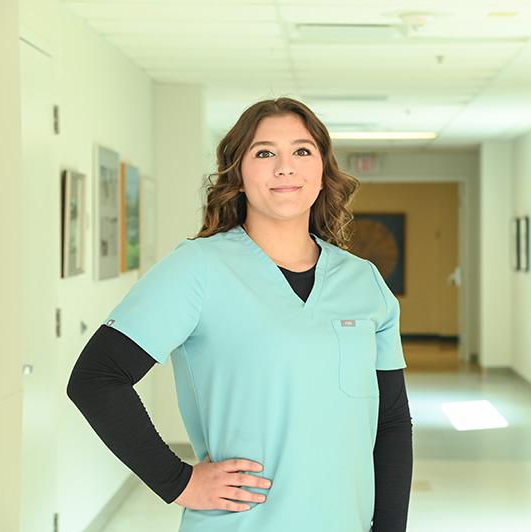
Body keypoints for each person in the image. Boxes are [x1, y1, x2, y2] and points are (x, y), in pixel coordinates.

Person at [66, 97, 413, 532]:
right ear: (238, 173)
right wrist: (178, 482)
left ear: (323, 171)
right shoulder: (198, 269)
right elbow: (97, 378)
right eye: (264, 152)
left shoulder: (363, 282)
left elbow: (393, 421)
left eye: (302, 151)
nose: (285, 167)